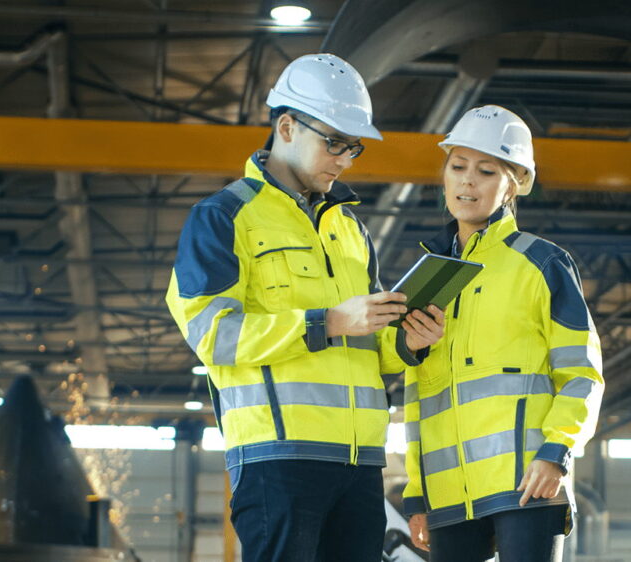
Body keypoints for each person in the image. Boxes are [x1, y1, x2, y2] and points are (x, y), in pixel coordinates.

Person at [165, 53, 445, 561]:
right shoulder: (223, 218)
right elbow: (214, 335)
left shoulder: (350, 229)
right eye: (333, 143)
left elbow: (370, 345)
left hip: (360, 463)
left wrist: (406, 341)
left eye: (352, 148)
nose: (344, 160)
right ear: (287, 127)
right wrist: (330, 321)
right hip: (278, 457)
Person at [402, 105, 605, 561]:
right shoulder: (429, 277)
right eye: (457, 167)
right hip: (448, 493)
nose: (467, 181)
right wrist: (417, 495)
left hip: (528, 481)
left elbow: (582, 373)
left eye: (486, 170)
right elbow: (418, 396)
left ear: (512, 184)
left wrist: (556, 452)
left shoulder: (543, 263)